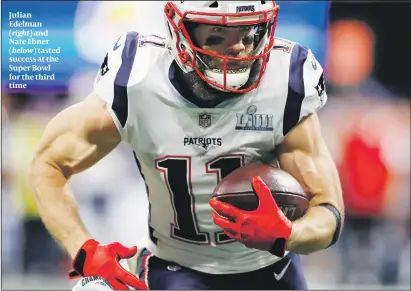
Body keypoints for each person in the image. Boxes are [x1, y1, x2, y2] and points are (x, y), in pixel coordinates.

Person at [28, 1, 344, 290]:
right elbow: (48, 164)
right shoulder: (138, 79)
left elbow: (329, 211)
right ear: (179, 32)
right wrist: (83, 249)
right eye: (217, 35)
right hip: (177, 266)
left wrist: (289, 234)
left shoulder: (285, 79)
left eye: (248, 31)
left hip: (270, 267)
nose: (237, 49)